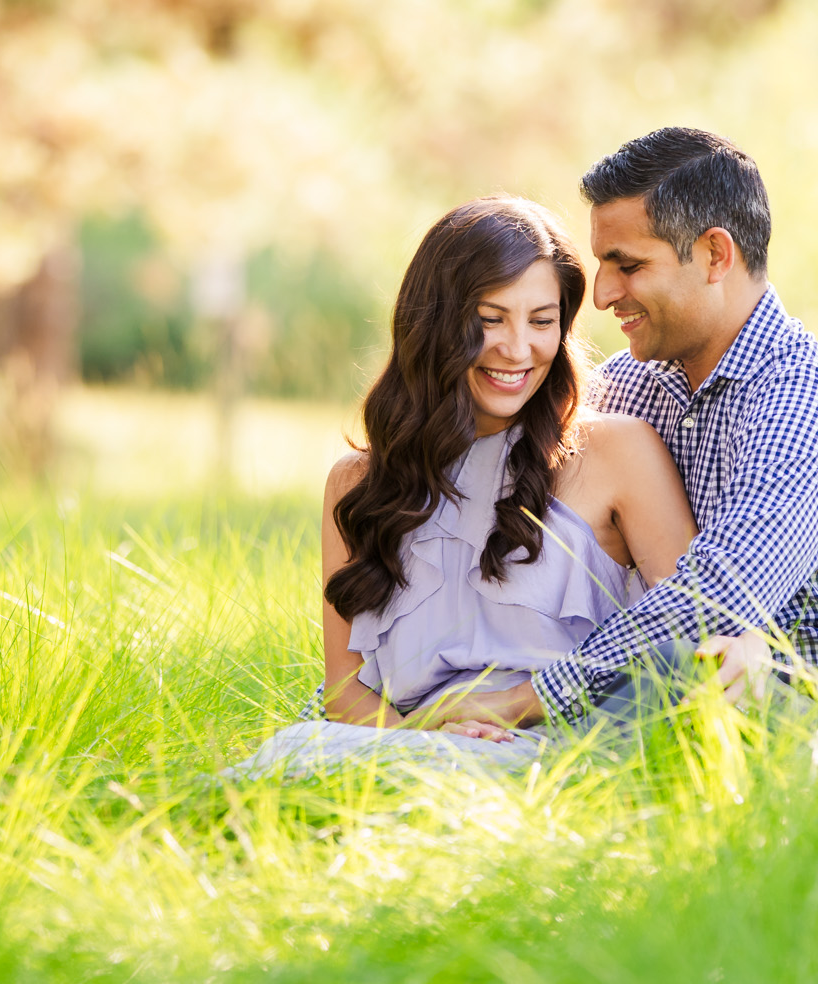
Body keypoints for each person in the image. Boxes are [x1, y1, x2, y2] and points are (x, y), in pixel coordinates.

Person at [427, 127, 818, 736]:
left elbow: (713, 603)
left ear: (714, 255)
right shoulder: (629, 385)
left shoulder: (805, 395)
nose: (600, 295)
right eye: (602, 265)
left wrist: (521, 700)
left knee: (701, 660)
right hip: (650, 689)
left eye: (627, 266)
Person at [233, 196, 698, 776]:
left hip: (559, 759)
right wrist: (421, 740)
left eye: (541, 321)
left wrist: (501, 717)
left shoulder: (615, 453)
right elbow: (344, 695)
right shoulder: (356, 486)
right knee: (289, 756)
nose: (517, 348)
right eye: (490, 318)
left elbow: (690, 635)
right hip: (399, 749)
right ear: (434, 323)